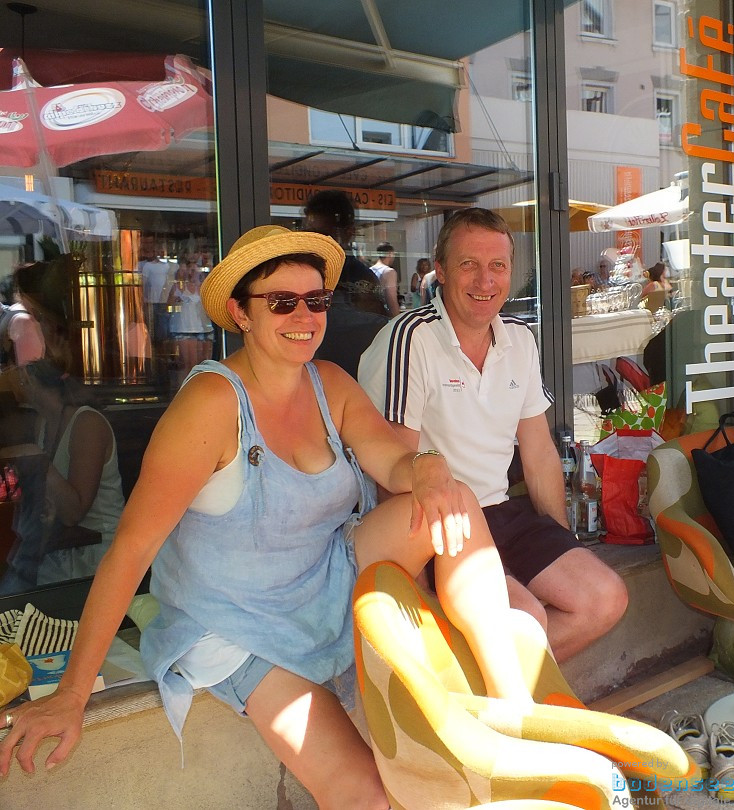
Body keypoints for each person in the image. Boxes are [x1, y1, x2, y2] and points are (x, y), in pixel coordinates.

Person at [0, 226, 532, 808]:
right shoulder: (210, 404)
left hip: (323, 578)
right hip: (236, 623)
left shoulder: (330, 383)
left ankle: (514, 715)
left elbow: (396, 459)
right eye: (281, 301)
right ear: (240, 312)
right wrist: (74, 693)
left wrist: (428, 466)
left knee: (450, 499)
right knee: (368, 795)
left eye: (315, 300)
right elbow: (131, 550)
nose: (303, 315)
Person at [358, 208, 628, 662]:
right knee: (525, 620)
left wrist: (558, 541)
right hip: (443, 522)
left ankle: (485, 699)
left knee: (605, 599)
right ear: (439, 271)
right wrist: (421, 578)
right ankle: (509, 706)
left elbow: (539, 451)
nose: (486, 281)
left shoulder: (520, 338)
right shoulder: (410, 338)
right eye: (469, 265)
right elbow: (394, 473)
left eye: (498, 266)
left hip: (502, 511)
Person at [0, 360, 125, 590]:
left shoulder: (87, 423)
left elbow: (72, 513)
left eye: (9, 368)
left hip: (97, 559)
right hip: (58, 552)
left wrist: (35, 457)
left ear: (25, 377)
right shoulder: (44, 422)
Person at [303, 190, 389, 371]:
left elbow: (376, 328)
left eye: (323, 235)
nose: (315, 241)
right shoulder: (302, 272)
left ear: (348, 233)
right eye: (309, 233)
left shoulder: (360, 276)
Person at [166, 256, 214, 380]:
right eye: (190, 270)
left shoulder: (204, 288)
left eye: (195, 270)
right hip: (185, 329)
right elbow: (168, 307)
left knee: (204, 366)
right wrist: (176, 302)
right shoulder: (177, 287)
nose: (193, 273)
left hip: (203, 330)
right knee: (188, 366)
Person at [370, 241, 400, 316]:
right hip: (383, 315)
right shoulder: (389, 272)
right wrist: (397, 317)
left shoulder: (370, 269)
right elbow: (391, 300)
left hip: (371, 312)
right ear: (390, 254)